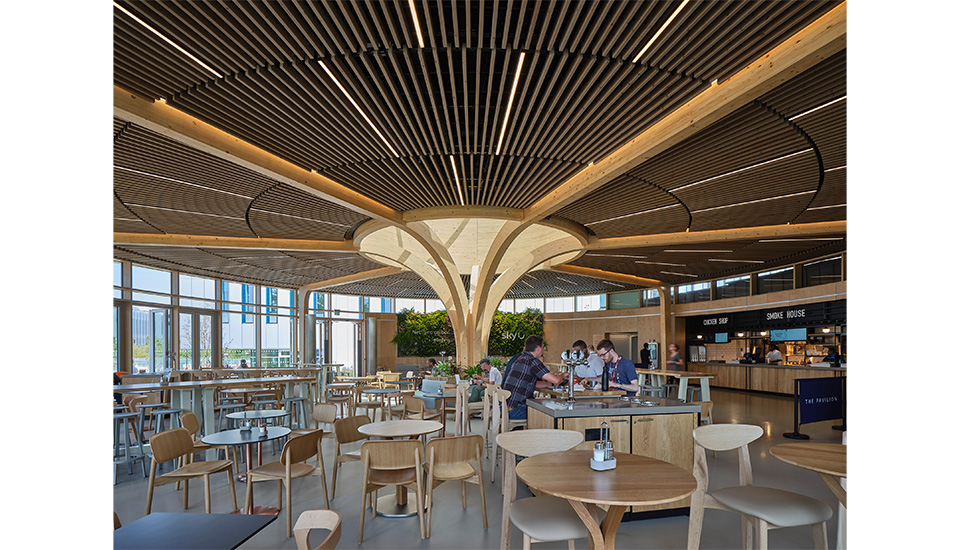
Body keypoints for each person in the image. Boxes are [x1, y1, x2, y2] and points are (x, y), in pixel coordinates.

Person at [502, 335, 564, 420]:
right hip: (517, 410)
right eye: (543, 347)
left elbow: (534, 383)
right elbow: (556, 380)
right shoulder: (533, 361)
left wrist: (551, 384)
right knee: (548, 414)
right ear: (538, 348)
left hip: (506, 408)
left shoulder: (521, 359)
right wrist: (563, 375)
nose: (543, 350)